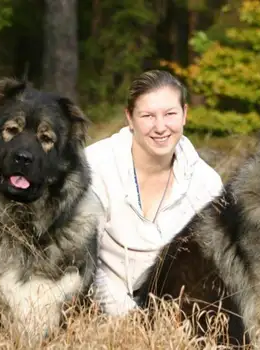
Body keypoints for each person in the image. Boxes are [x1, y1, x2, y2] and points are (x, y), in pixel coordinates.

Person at [85, 70, 224, 316]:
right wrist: (128, 318)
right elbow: (82, 257)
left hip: (172, 314)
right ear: (129, 118)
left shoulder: (206, 184)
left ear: (184, 115)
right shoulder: (95, 166)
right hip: (95, 306)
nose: (160, 127)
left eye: (170, 114)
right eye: (148, 115)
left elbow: (206, 271)